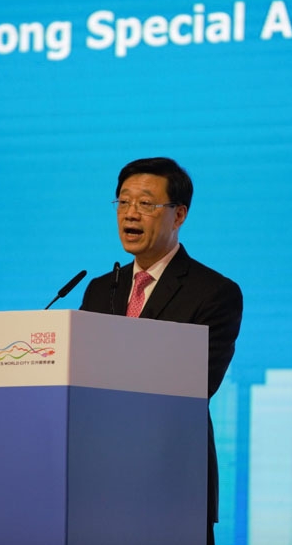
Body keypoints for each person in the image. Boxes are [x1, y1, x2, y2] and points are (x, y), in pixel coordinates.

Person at [80, 157, 243, 545]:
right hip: (99, 483)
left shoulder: (214, 292)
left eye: (146, 203)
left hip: (173, 482)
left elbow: (198, 383)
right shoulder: (100, 289)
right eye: (123, 202)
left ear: (179, 215)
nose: (130, 213)